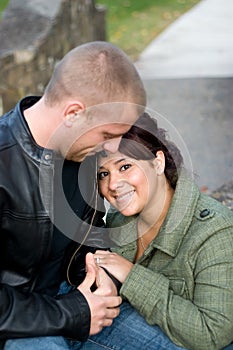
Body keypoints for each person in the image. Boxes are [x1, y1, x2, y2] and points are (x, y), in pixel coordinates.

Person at [0, 40, 146, 349]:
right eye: (108, 134)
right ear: (73, 113)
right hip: (18, 328)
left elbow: (90, 233)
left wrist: (101, 273)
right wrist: (73, 312)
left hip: (76, 301)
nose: (113, 149)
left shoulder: (82, 153)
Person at [85, 112, 233, 350]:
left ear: (158, 162)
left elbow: (213, 333)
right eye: (104, 174)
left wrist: (131, 275)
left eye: (125, 166)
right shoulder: (117, 221)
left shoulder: (215, 233)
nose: (112, 185)